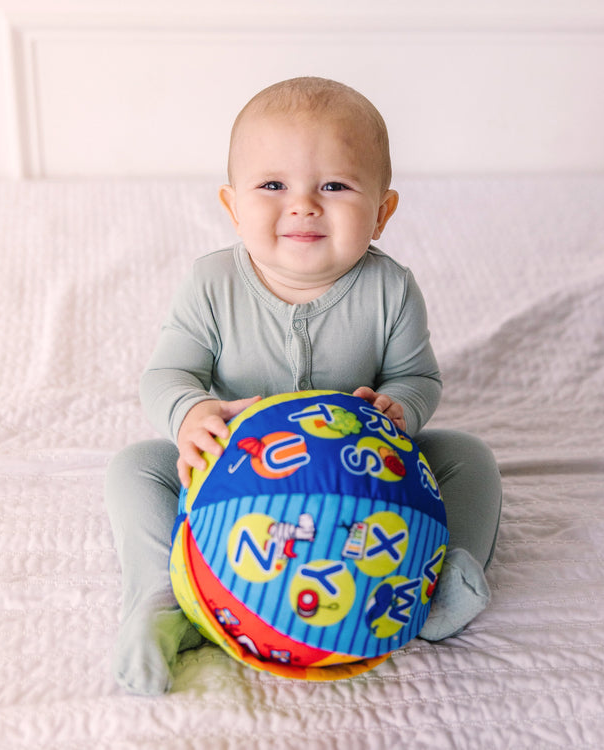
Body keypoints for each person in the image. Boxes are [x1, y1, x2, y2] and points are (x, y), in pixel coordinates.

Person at [105, 76, 502, 696]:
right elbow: (166, 374)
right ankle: (164, 592)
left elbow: (416, 376)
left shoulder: (390, 289)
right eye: (272, 186)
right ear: (232, 205)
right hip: (234, 470)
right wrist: (193, 414)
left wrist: (401, 408)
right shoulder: (212, 284)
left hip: (361, 470)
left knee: (468, 457)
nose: (303, 204)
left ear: (381, 212)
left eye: (335, 186)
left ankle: (446, 573)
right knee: (135, 467)